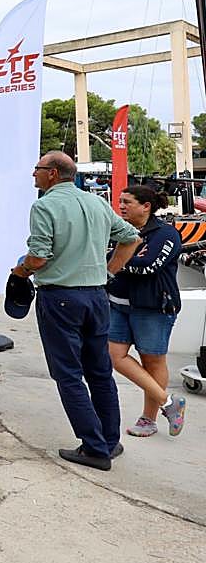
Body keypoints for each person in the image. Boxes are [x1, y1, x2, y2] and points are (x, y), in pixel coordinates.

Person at [13, 150, 140, 471]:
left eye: (37, 169)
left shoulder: (44, 205)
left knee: (68, 374)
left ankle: (94, 448)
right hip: (97, 297)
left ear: (53, 173)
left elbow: (39, 256)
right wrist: (109, 272)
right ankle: (110, 442)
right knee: (99, 372)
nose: (34, 175)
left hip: (61, 299)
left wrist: (21, 272)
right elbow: (131, 238)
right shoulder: (96, 202)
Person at [108, 185, 186, 438]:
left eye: (127, 201)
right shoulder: (119, 231)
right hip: (118, 305)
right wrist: (118, 260)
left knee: (152, 361)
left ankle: (148, 419)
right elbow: (109, 258)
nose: (121, 206)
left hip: (153, 307)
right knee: (114, 356)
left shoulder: (166, 234)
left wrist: (117, 262)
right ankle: (168, 401)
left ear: (146, 206)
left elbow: (148, 265)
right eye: (120, 201)